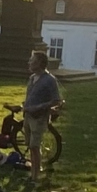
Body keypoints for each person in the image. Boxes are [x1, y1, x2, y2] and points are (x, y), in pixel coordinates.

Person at [19, 50, 62, 178]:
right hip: (28, 115)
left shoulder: (50, 80)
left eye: (32, 61)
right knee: (29, 145)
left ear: (39, 63)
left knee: (34, 145)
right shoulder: (32, 78)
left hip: (39, 117)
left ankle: (35, 176)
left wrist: (40, 107)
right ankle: (34, 169)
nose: (29, 63)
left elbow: (56, 100)